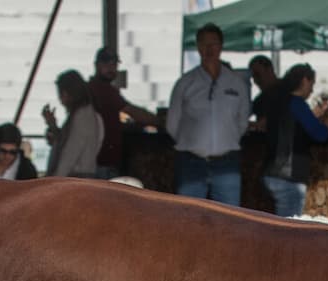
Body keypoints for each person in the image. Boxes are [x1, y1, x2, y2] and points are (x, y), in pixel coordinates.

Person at [165, 23, 250, 205]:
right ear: (197, 47)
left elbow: (242, 121)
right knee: (188, 217)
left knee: (230, 219)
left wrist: (225, 139)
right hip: (191, 162)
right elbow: (172, 124)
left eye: (214, 43)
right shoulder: (186, 83)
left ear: (221, 46)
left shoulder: (236, 83)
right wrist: (194, 143)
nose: (209, 49)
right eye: (204, 44)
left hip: (226, 161)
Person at [262, 63, 328, 218]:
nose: (312, 90)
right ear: (305, 80)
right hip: (289, 176)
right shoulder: (298, 104)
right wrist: (325, 124)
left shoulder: (279, 101)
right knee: (289, 232)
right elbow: (320, 134)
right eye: (311, 84)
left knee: (280, 228)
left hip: (271, 172)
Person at [89, 48, 160, 180]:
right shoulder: (103, 90)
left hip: (100, 160)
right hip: (103, 162)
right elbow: (133, 112)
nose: (111, 68)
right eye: (106, 64)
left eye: (114, 65)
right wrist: (161, 121)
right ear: (97, 65)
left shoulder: (96, 88)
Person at [43, 70, 103, 178]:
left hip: (76, 177)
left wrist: (55, 180)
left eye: (61, 94)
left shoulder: (82, 117)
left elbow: (70, 153)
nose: (61, 99)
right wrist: (52, 125)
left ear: (67, 93)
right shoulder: (88, 115)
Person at [248, 54, 279, 126]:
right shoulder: (260, 99)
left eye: (257, 75)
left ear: (270, 70)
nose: (255, 81)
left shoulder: (286, 92)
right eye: (253, 77)